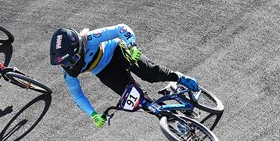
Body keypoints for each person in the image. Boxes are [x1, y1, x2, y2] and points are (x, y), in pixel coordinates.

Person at [50, 24, 200, 128]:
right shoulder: (68, 71)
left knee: (149, 74)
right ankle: (176, 121)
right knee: (137, 100)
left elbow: (120, 28)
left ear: (80, 47)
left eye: (72, 60)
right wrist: (93, 114)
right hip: (105, 72)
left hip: (117, 51)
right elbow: (77, 95)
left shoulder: (89, 39)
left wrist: (132, 45)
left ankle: (179, 78)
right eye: (64, 63)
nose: (70, 65)